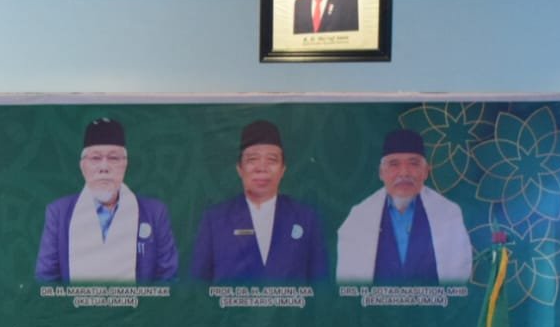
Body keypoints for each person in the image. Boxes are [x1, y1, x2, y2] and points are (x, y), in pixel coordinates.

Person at [35, 117, 178, 284]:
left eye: (113, 158)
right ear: (83, 166)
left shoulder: (154, 213)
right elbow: (46, 281)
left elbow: (168, 280)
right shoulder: (59, 213)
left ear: (125, 164)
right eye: (95, 158)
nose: (104, 167)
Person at [190, 119, 327, 284]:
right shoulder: (215, 220)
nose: (261, 168)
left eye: (272, 160)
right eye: (252, 159)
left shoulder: (306, 219)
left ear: (283, 169)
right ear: (239, 168)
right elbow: (197, 289)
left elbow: (322, 289)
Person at [336, 128, 473, 284]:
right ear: (381, 173)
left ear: (426, 171)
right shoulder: (359, 217)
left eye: (413, 164)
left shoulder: (448, 213)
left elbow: (458, 275)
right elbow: (349, 282)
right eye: (394, 164)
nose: (404, 173)